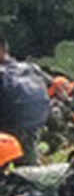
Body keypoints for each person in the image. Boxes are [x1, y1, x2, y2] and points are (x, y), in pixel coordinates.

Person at [0, 36, 51, 165]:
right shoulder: (31, 68)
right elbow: (53, 85)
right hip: (34, 125)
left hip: (9, 127)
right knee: (28, 167)